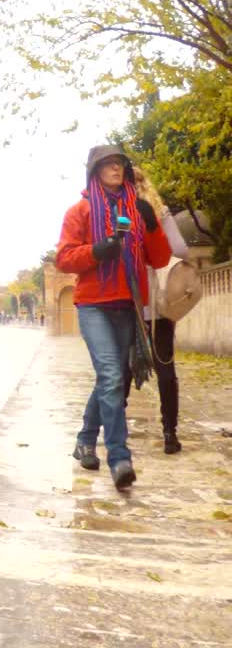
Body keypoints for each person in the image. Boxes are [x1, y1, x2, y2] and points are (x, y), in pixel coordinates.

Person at [56, 145, 171, 490]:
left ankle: (85, 440)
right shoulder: (80, 211)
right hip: (93, 305)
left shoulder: (137, 210)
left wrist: (150, 224)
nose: (115, 169)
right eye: (107, 164)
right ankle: (120, 458)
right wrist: (96, 251)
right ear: (94, 171)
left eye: (119, 164)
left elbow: (161, 258)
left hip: (128, 304)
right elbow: (64, 258)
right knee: (109, 374)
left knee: (112, 379)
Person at [122, 170, 190, 455]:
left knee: (124, 366)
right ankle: (169, 433)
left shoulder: (121, 214)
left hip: (135, 300)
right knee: (164, 364)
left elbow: (179, 250)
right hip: (155, 302)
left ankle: (118, 430)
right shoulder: (161, 213)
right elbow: (181, 250)